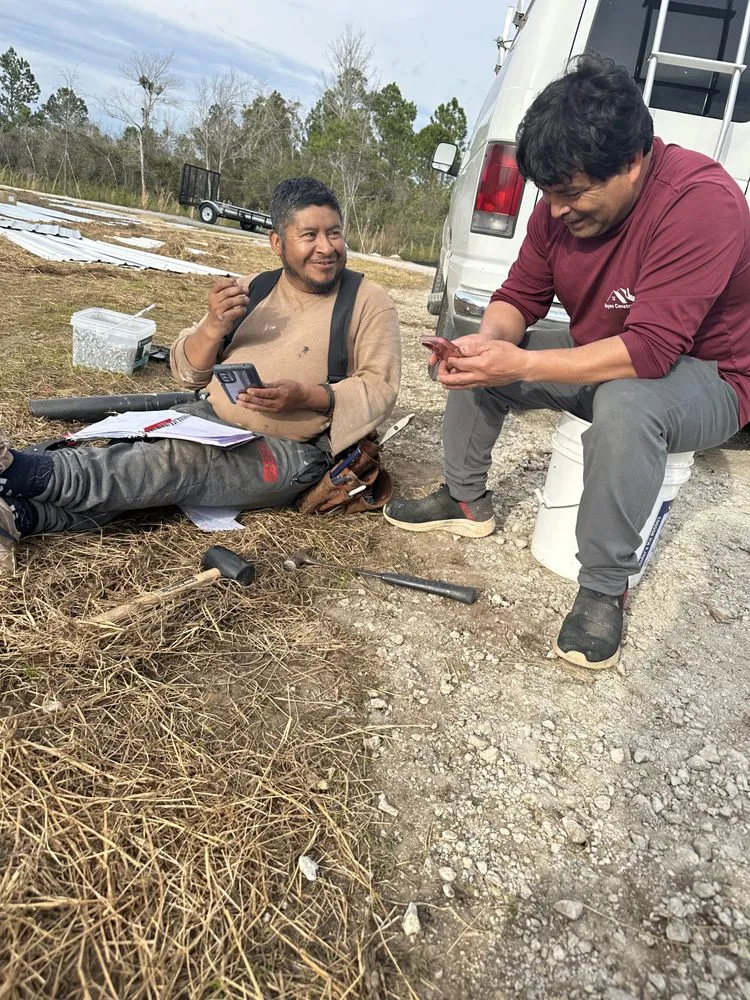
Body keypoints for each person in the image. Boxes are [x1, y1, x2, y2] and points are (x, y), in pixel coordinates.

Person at [384, 54, 750, 671]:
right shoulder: (561, 203)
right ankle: (464, 500)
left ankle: (605, 587)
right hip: (613, 353)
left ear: (632, 162)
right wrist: (488, 345)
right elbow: (519, 297)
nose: (555, 210)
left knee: (627, 403)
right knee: (483, 354)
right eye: (547, 195)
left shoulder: (701, 201)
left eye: (572, 194)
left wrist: (519, 366)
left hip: (712, 375)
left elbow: (650, 352)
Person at [0, 177, 401, 573]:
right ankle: (22, 514)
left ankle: (21, 474)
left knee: (177, 464)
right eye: (310, 235)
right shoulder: (254, 289)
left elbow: (380, 389)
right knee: (126, 454)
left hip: (291, 450)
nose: (326, 248)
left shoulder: (366, 301)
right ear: (278, 243)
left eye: (334, 233)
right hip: (211, 420)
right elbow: (187, 370)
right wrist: (212, 326)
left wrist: (309, 397)